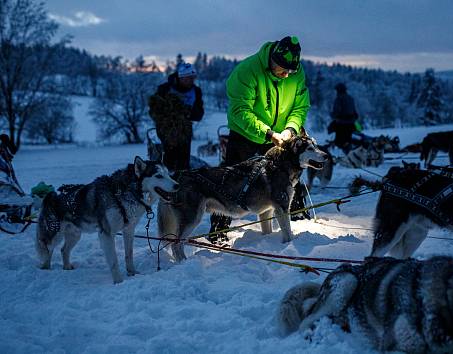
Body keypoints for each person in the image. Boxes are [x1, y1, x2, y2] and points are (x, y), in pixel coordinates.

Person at [209, 35, 310, 242]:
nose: (286, 75)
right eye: (282, 69)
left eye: (290, 71)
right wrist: (268, 133)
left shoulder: (296, 73)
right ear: (272, 59)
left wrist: (291, 129)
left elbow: (300, 106)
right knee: (231, 181)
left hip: (282, 135)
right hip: (245, 134)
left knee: (289, 177)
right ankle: (218, 232)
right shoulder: (247, 71)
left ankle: (300, 220)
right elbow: (240, 111)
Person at [149, 62, 204, 171]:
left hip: (185, 130)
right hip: (166, 129)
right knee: (169, 159)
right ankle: (167, 182)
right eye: (188, 78)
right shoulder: (164, 89)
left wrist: (186, 112)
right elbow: (153, 111)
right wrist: (167, 118)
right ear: (180, 77)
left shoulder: (196, 91)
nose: (191, 81)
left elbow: (199, 114)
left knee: (184, 162)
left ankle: (183, 183)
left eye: (193, 78)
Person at [328, 83, 359, 152]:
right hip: (351, 123)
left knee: (340, 142)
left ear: (338, 90)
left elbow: (337, 111)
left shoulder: (339, 98)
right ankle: (350, 153)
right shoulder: (351, 98)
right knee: (348, 140)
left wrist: (332, 115)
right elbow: (354, 111)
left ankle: (344, 156)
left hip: (341, 124)